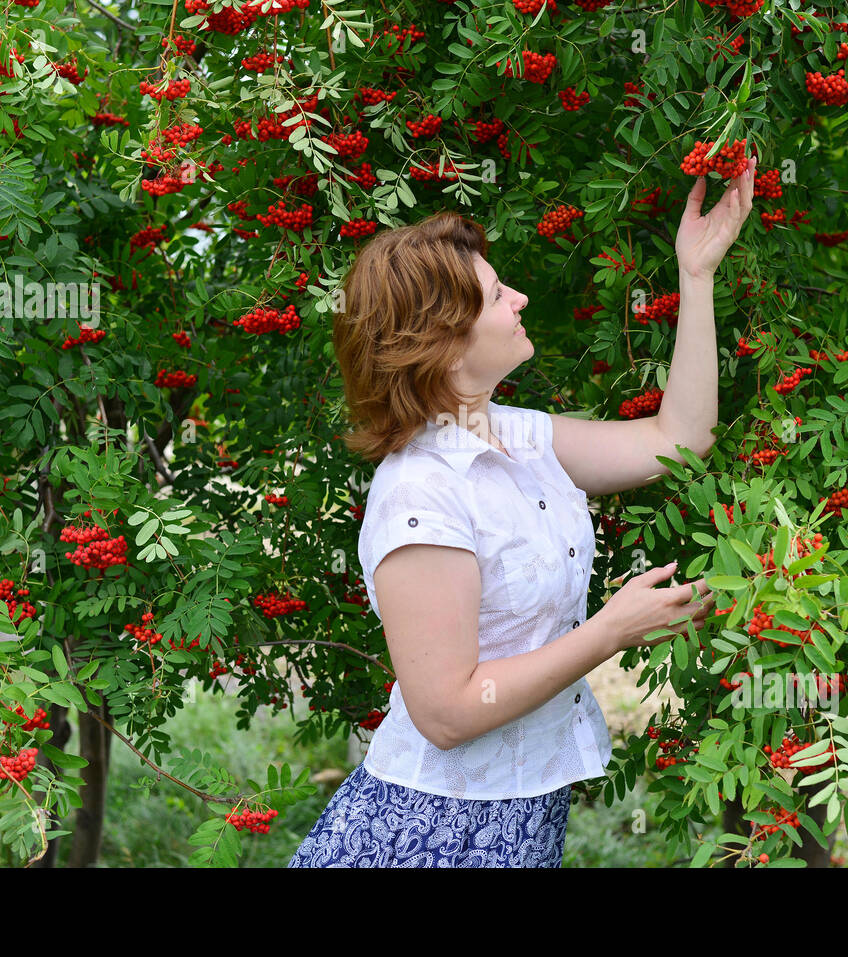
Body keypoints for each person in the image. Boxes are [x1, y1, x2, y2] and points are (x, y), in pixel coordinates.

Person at [286, 159, 757, 867]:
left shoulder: (520, 438)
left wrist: (697, 275)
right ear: (443, 349)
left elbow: (677, 441)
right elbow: (444, 713)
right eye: (499, 293)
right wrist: (609, 632)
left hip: (519, 817)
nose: (522, 298)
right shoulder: (420, 494)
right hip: (431, 833)